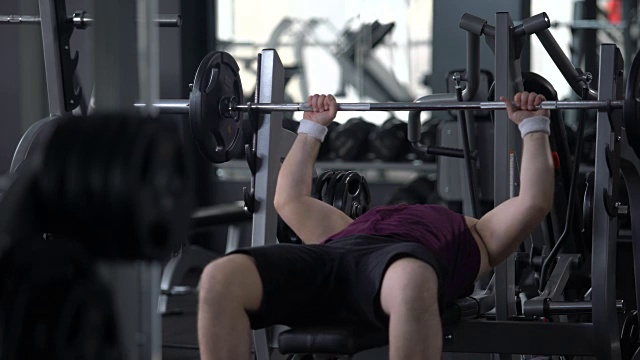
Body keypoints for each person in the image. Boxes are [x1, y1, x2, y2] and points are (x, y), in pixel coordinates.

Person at [197, 92, 554, 360]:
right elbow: (287, 201)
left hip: (394, 275)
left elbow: (533, 201)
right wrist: (313, 126)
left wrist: (533, 126)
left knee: (411, 278)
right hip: (333, 261)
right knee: (219, 276)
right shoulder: (348, 227)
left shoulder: (478, 234)